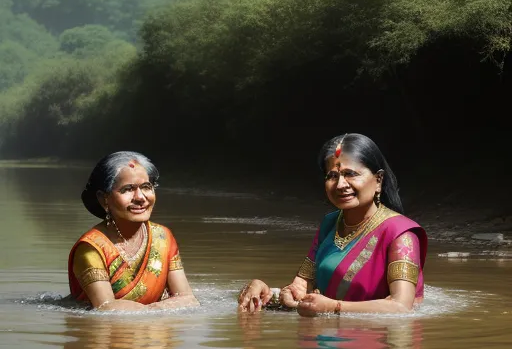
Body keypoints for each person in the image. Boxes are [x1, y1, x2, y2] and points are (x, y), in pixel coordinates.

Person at [238, 133, 427, 316]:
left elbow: (402, 307)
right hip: (324, 341)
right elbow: (301, 289)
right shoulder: (330, 224)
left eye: (350, 174)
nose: (340, 184)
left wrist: (334, 307)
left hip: (373, 344)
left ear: (378, 180)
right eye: (332, 176)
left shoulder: (401, 234)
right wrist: (266, 293)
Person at [67, 151, 199, 311]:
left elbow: (188, 299)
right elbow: (106, 308)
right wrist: (157, 311)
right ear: (104, 199)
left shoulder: (163, 237)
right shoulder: (91, 249)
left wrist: (154, 316)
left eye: (146, 187)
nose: (140, 197)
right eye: (128, 189)